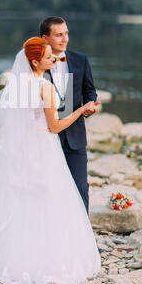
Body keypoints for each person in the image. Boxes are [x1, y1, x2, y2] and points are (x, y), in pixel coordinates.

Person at [0, 37, 101, 284]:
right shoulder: (45, 86)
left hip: (21, 149)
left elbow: (9, 122)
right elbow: (55, 126)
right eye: (48, 55)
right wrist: (80, 111)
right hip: (43, 148)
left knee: (16, 199)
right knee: (48, 199)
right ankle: (44, 256)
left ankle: (8, 254)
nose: (53, 58)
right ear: (35, 60)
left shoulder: (16, 84)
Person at [40, 16, 100, 215]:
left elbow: (89, 91)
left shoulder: (80, 59)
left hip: (75, 137)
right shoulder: (35, 65)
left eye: (66, 33)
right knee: (48, 190)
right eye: (58, 35)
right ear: (45, 39)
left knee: (81, 188)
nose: (64, 38)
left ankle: (84, 244)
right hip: (46, 137)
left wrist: (90, 104)